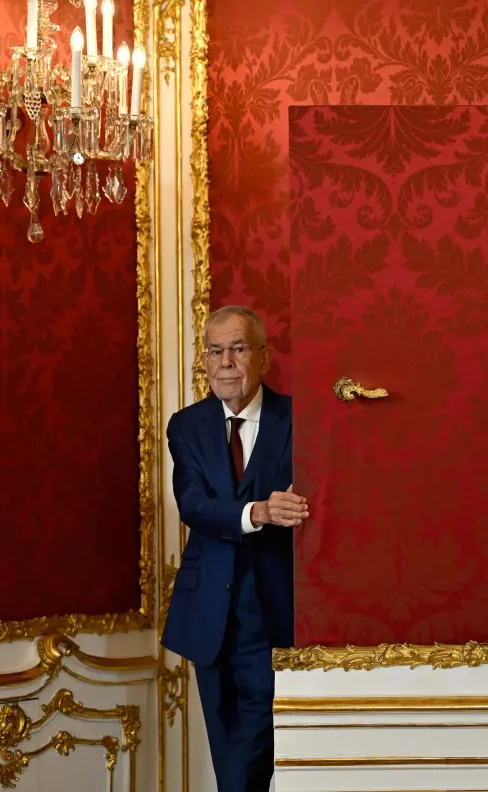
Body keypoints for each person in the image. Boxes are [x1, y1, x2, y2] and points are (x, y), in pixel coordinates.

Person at [161, 305, 309, 792]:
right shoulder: (186, 427)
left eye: (238, 349)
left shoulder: (299, 419)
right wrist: (257, 512)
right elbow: (194, 506)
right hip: (208, 616)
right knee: (228, 750)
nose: (225, 361)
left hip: (274, 612)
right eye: (214, 351)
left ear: (263, 358)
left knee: (256, 746)